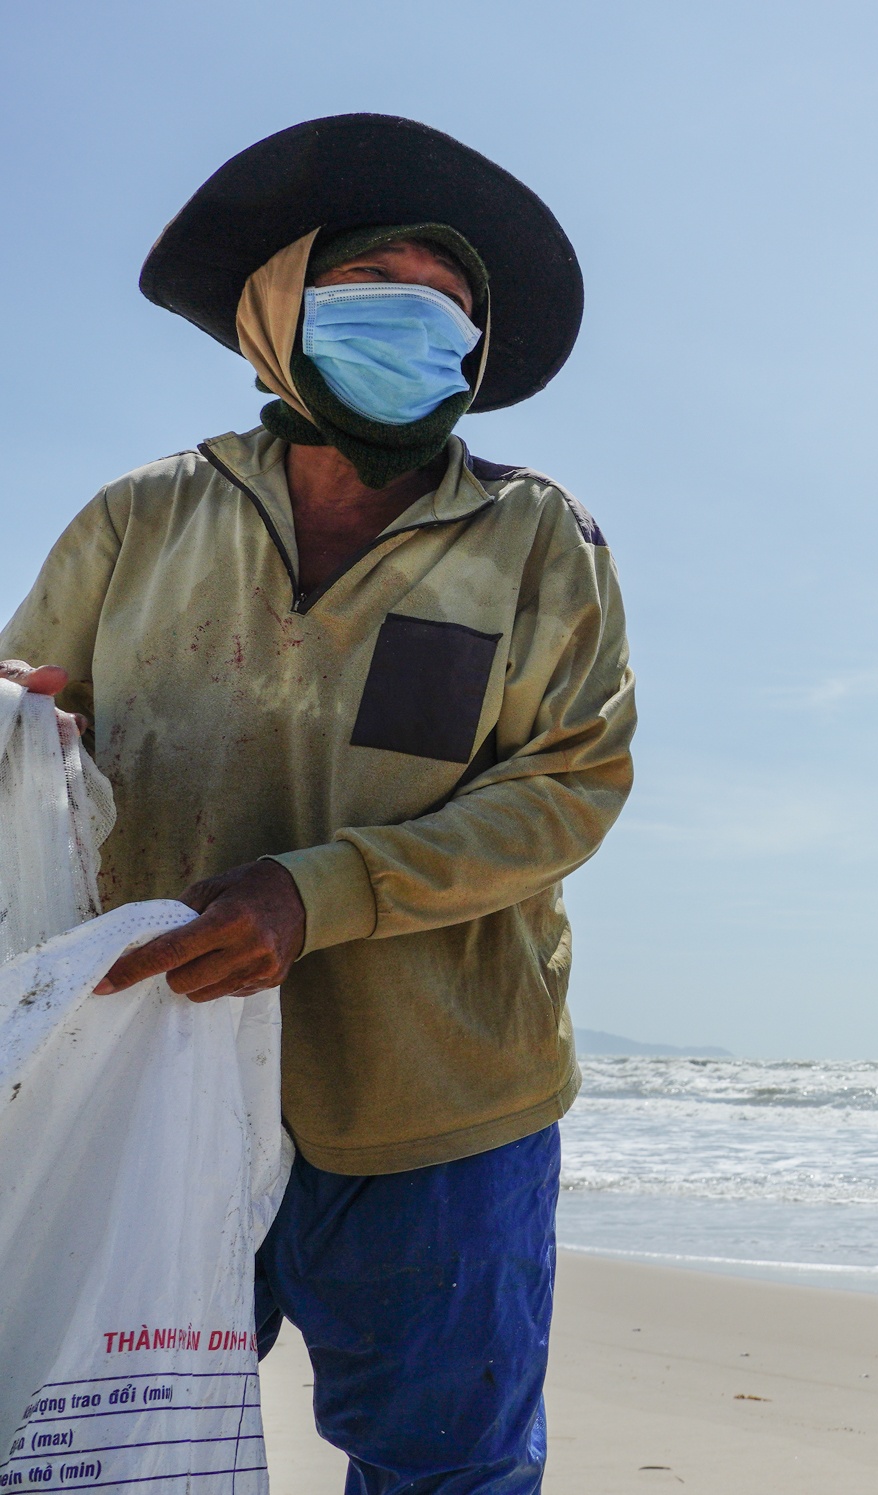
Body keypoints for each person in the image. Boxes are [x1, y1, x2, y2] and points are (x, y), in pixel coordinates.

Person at [0, 114, 635, 1491]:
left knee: (444, 1469)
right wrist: (22, 724)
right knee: (108, 1450)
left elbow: (569, 784)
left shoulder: (538, 537)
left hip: (438, 1105)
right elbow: (34, 718)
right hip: (150, 1081)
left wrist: (317, 890)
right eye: (377, 294)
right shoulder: (138, 520)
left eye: (450, 309)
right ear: (275, 321)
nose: (423, 325)